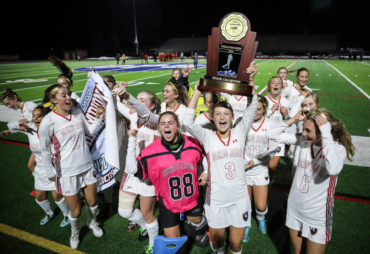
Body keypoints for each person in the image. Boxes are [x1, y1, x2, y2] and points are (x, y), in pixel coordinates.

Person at [266, 108, 355, 254]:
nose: (303, 133)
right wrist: (294, 119)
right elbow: (271, 135)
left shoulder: (338, 149)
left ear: (323, 131)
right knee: (298, 251)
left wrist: (326, 134)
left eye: (308, 130)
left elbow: (333, 169)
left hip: (317, 216)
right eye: (303, 129)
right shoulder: (304, 141)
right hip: (294, 209)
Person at [183, 79, 257, 254]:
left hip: (239, 199)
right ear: (213, 117)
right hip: (216, 200)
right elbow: (187, 121)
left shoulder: (240, 131)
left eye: (226, 113)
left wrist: (251, 80)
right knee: (217, 245)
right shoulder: (207, 136)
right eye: (218, 114)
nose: (222, 117)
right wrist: (196, 93)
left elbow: (252, 106)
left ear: (232, 117)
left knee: (236, 245)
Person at [124, 112, 209, 254]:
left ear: (178, 126)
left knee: (197, 228)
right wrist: (132, 140)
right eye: (163, 123)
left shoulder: (192, 143)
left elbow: (204, 156)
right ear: (159, 128)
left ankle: (196, 227)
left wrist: (206, 171)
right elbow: (131, 169)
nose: (167, 126)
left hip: (192, 198)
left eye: (171, 123)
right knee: (174, 243)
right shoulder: (151, 151)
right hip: (168, 202)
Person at [39, 84, 105, 249]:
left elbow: (89, 132)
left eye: (68, 94)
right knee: (75, 211)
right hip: (67, 172)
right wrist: (50, 172)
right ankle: (74, 233)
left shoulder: (76, 112)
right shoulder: (48, 121)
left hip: (87, 166)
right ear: (53, 100)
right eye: (63, 95)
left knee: (93, 202)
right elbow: (45, 151)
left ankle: (92, 223)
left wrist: (97, 118)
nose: (68, 97)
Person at [2, 106, 70, 227]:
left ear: (46, 117)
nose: (35, 118)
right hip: (40, 169)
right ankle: (49, 213)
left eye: (39, 116)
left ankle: (67, 214)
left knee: (57, 196)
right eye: (33, 116)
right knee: (39, 197)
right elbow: (10, 125)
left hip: (54, 167)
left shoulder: (53, 128)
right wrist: (19, 125)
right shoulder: (30, 128)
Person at [115, 90, 161, 254]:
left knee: (148, 214)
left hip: (148, 177)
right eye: (137, 99)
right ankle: (145, 228)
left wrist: (128, 96)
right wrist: (109, 89)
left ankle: (153, 244)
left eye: (143, 100)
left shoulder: (156, 120)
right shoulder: (133, 116)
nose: (136, 103)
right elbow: (115, 103)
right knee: (124, 211)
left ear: (153, 105)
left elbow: (144, 112)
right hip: (131, 171)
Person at [242, 95, 278, 242]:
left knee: (261, 206)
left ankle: (261, 217)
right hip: (243, 169)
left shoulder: (270, 124)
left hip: (260, 168)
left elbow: (273, 149)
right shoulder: (243, 122)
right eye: (253, 109)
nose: (256, 112)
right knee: (244, 204)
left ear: (264, 110)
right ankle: (246, 225)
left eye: (259, 109)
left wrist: (255, 161)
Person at [1, 88, 38, 188]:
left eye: (9, 103)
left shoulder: (28, 104)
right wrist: (10, 131)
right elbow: (28, 127)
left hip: (43, 141)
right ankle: (40, 186)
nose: (9, 107)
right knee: (31, 165)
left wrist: (29, 119)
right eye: (6, 105)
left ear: (15, 99)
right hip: (37, 142)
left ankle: (42, 187)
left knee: (32, 165)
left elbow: (43, 112)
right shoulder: (23, 111)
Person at [265, 76, 290, 174]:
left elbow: (289, 123)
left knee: (271, 167)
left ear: (281, 87)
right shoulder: (263, 100)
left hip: (278, 138)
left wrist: (287, 115)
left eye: (278, 83)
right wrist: (270, 111)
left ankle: (268, 184)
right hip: (264, 136)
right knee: (262, 166)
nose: (276, 84)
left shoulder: (286, 102)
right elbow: (258, 119)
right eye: (273, 82)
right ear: (269, 86)